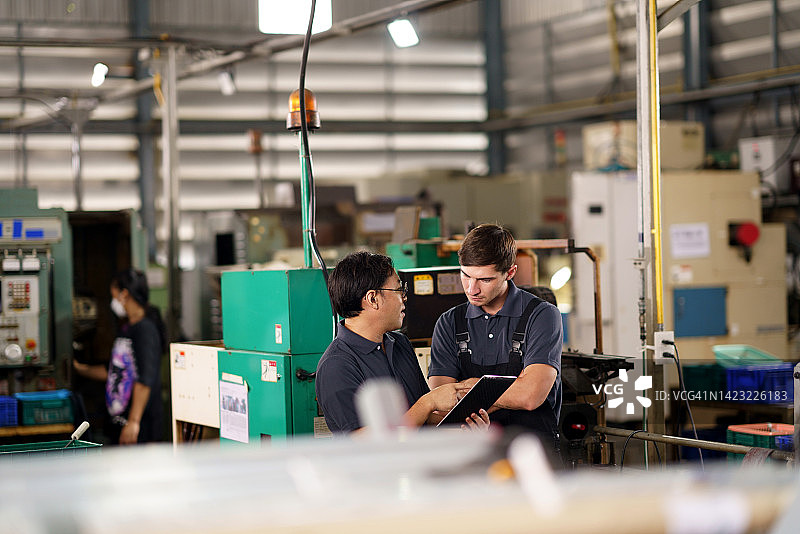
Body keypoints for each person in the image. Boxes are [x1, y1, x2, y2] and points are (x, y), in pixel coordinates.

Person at [315, 251, 489, 433]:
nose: (404, 297)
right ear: (373, 299)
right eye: (399, 290)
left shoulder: (399, 343)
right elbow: (361, 440)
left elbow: (423, 417)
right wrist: (428, 402)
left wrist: (464, 423)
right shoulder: (336, 365)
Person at [429, 224, 563, 455]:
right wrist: (513, 389)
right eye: (465, 275)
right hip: (472, 452)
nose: (472, 289)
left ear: (510, 273)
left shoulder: (542, 316)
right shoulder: (449, 322)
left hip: (533, 453)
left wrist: (471, 389)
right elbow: (441, 409)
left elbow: (530, 396)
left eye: (485, 280)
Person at [73, 269, 167, 445]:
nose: (114, 301)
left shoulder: (145, 330)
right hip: (122, 422)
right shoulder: (128, 329)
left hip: (142, 427)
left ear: (124, 294)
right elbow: (114, 371)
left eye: (114, 295)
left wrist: (134, 421)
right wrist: (79, 369)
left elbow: (144, 379)